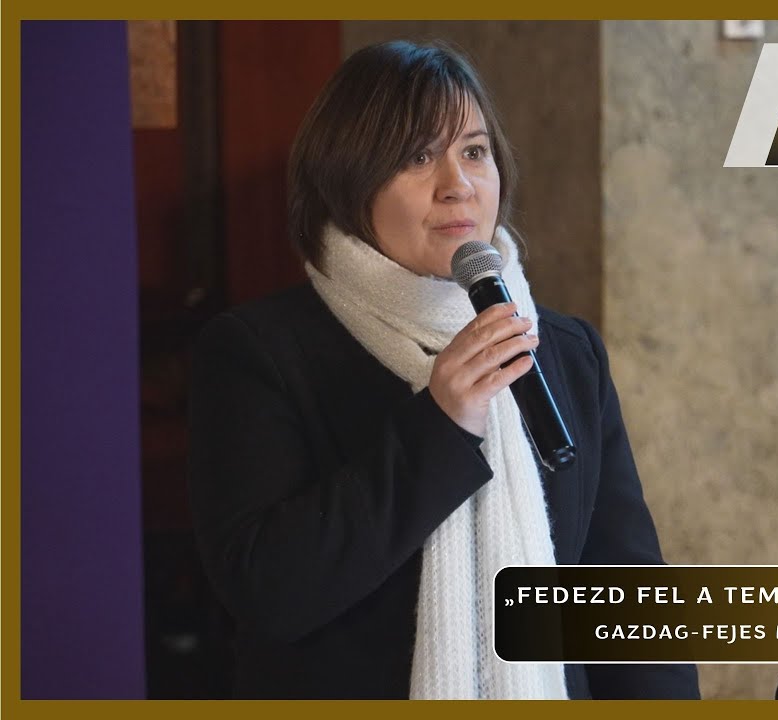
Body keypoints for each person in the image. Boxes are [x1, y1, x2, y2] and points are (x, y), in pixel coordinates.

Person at [187, 40, 700, 700]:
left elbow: (626, 594)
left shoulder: (565, 351)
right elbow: (270, 592)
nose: (458, 183)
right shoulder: (259, 352)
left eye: (475, 152)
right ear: (347, 180)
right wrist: (441, 423)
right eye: (418, 156)